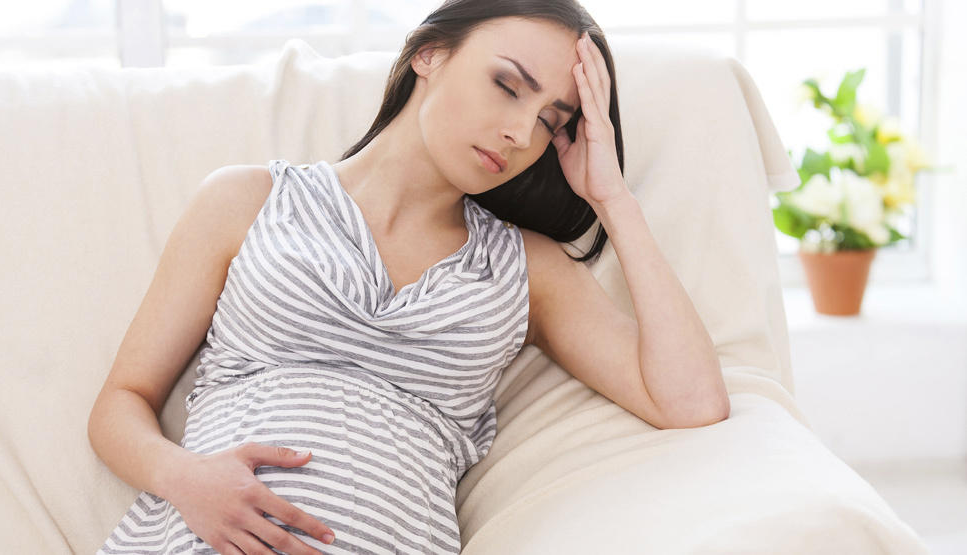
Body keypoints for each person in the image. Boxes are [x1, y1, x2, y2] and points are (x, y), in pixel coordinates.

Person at [88, 0, 730, 553]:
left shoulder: (525, 270)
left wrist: (614, 201)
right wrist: (184, 478)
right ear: (430, 53)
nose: (517, 131)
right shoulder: (248, 201)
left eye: (549, 122)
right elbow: (121, 402)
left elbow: (693, 403)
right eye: (508, 85)